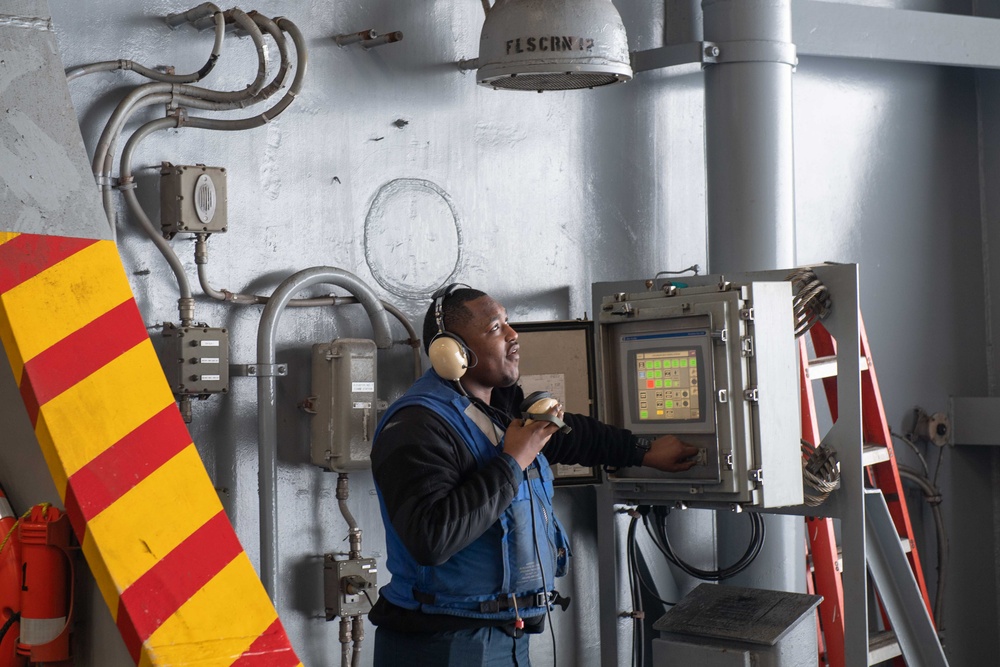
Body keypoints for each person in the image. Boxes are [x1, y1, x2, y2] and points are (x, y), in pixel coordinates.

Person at [370, 285, 698, 666]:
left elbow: (571, 436)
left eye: (509, 323)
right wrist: (513, 460)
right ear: (452, 351)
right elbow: (431, 537)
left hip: (506, 636)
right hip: (442, 644)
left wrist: (643, 451)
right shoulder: (416, 425)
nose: (513, 336)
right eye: (496, 328)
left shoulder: (500, 413)